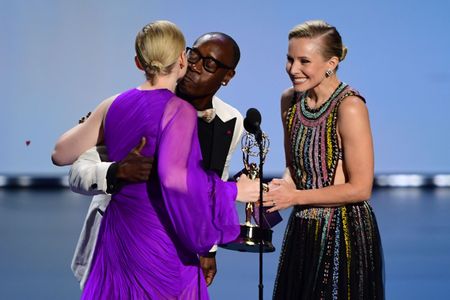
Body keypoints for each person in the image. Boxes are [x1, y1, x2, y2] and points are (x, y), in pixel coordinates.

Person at [51, 20, 259, 299]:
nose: (197, 65)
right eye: (194, 55)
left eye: (208, 63)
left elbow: (59, 153)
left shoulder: (116, 104)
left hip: (155, 235)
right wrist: (235, 190)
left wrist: (208, 249)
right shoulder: (176, 110)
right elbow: (174, 179)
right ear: (183, 58)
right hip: (152, 237)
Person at [262, 20, 384, 299]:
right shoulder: (289, 101)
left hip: (343, 233)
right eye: (290, 59)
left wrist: (294, 198)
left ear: (331, 62)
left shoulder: (350, 106)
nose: (293, 69)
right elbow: (294, 166)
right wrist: (281, 187)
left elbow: (361, 188)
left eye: (304, 61)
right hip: (303, 228)